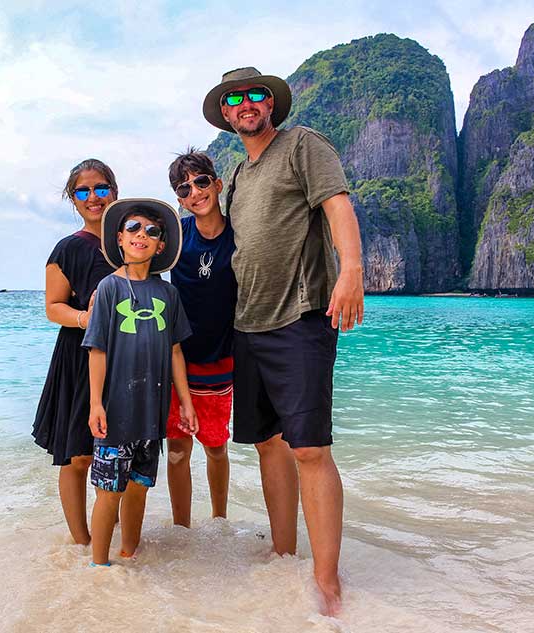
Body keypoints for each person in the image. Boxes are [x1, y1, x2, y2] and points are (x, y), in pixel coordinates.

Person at [202, 67, 364, 615]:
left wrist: (351, 271)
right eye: (234, 100)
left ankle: (328, 581)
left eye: (254, 95)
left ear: (271, 103)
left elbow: (337, 205)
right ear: (225, 114)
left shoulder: (303, 145)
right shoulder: (239, 175)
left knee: (311, 448)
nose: (245, 104)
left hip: (299, 318)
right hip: (247, 325)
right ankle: (282, 553)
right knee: (268, 443)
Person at [82, 198, 198, 566]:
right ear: (119, 237)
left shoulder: (168, 294)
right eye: (133, 228)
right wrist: (96, 403)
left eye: (151, 231)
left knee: (139, 488)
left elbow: (176, 351)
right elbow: (96, 350)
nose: (141, 236)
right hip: (116, 412)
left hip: (152, 412)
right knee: (108, 492)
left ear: (161, 245)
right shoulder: (108, 289)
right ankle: (99, 566)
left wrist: (188, 403)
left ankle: (129, 554)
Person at [32, 159, 118, 546]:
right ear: (73, 198)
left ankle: (114, 534)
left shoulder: (132, 242)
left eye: (101, 188)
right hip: (79, 354)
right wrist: (87, 317)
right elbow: (54, 307)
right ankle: (81, 542)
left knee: (120, 451)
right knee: (77, 454)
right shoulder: (68, 249)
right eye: (83, 191)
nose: (93, 197)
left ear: (114, 191)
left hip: (125, 358)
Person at [164, 149, 236, 527]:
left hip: (222, 359)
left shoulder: (241, 234)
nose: (195, 192)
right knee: (176, 449)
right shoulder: (175, 237)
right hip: (178, 358)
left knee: (216, 447)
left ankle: (220, 522)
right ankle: (181, 528)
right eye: (184, 188)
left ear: (217, 184)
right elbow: (134, 262)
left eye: (201, 181)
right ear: (179, 200)